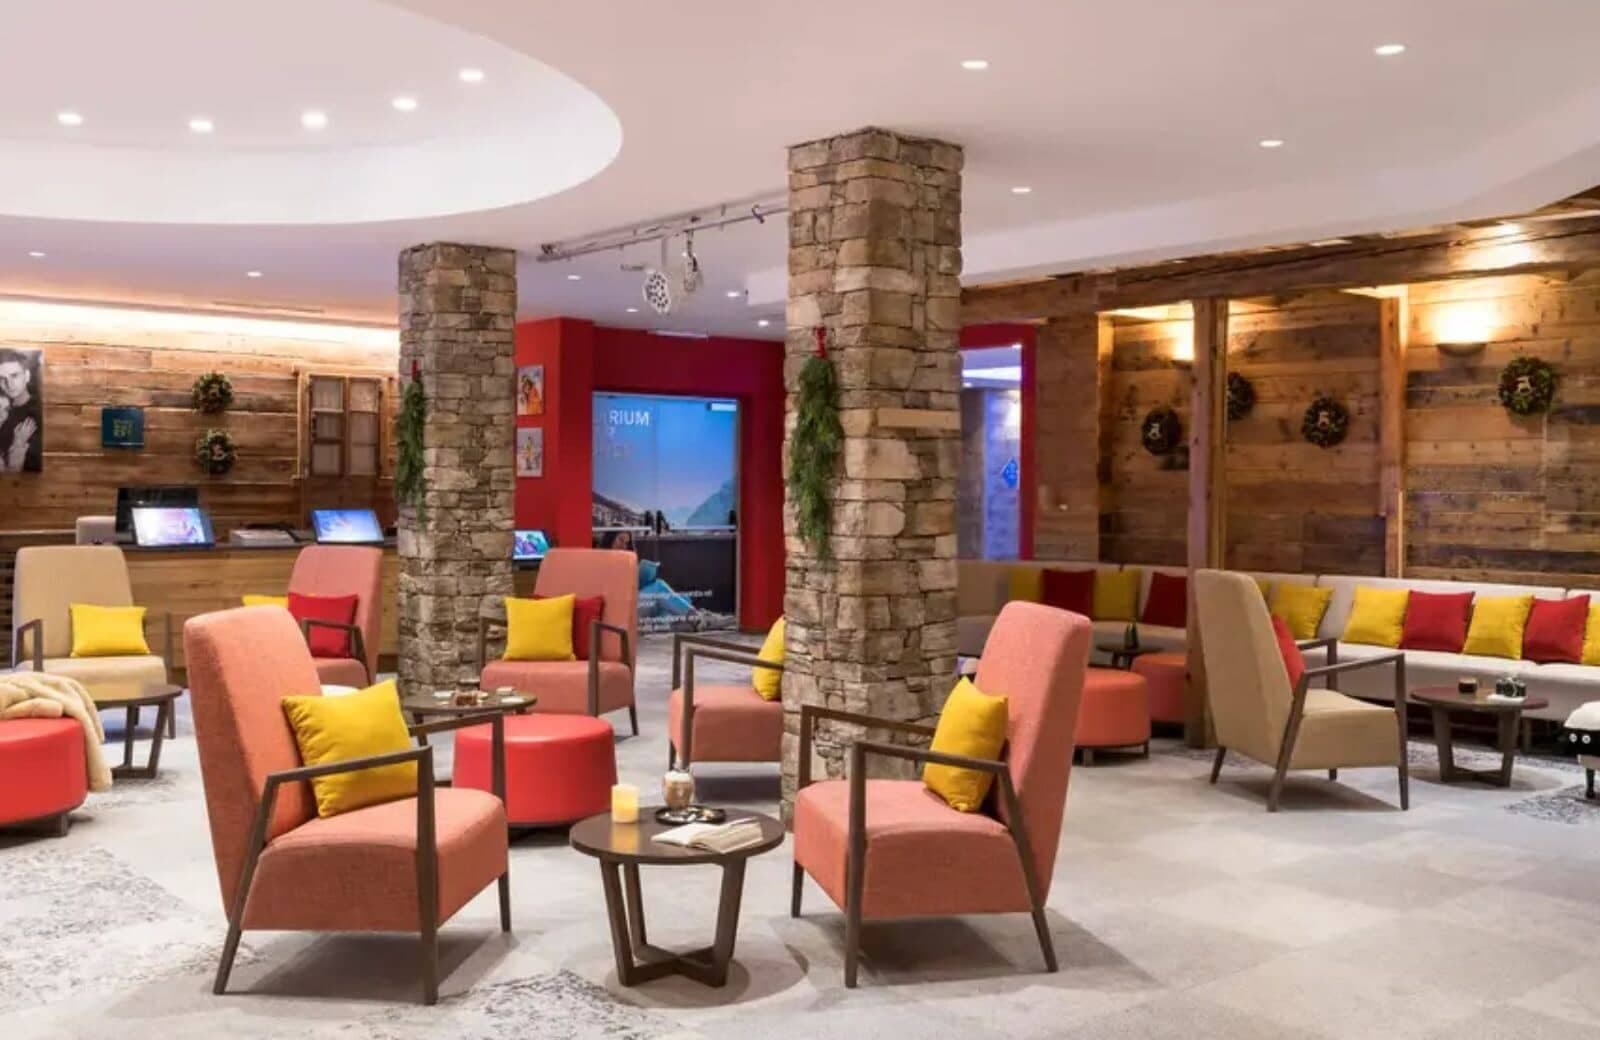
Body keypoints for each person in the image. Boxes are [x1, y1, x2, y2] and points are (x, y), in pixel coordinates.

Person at [0, 349, 41, 473]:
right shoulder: (4, 408)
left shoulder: (35, 416)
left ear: (27, 376)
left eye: (14, 375)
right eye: (2, 378)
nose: (9, 384)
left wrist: (18, 445)